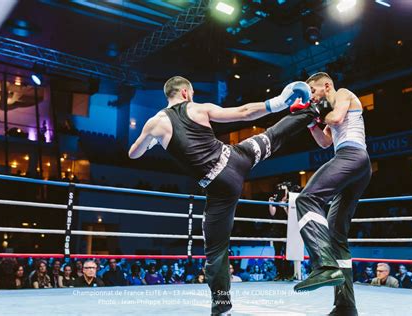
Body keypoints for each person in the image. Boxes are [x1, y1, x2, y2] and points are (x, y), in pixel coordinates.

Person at [129, 76, 321, 315]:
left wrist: (151, 141)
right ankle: (312, 111)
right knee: (272, 137)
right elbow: (244, 112)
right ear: (186, 93)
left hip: (219, 187)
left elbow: (133, 153)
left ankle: (221, 306)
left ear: (169, 95)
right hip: (236, 158)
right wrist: (279, 102)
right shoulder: (199, 108)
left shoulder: (153, 124)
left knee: (216, 250)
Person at [294, 72, 372, 316]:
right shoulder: (328, 106)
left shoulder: (343, 94)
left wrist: (311, 109)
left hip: (352, 156)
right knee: (336, 233)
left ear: (326, 86)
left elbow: (337, 119)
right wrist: (309, 122)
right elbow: (325, 141)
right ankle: (346, 306)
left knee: (306, 199)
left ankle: (324, 264)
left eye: (314, 92)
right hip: (356, 164)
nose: (312, 97)